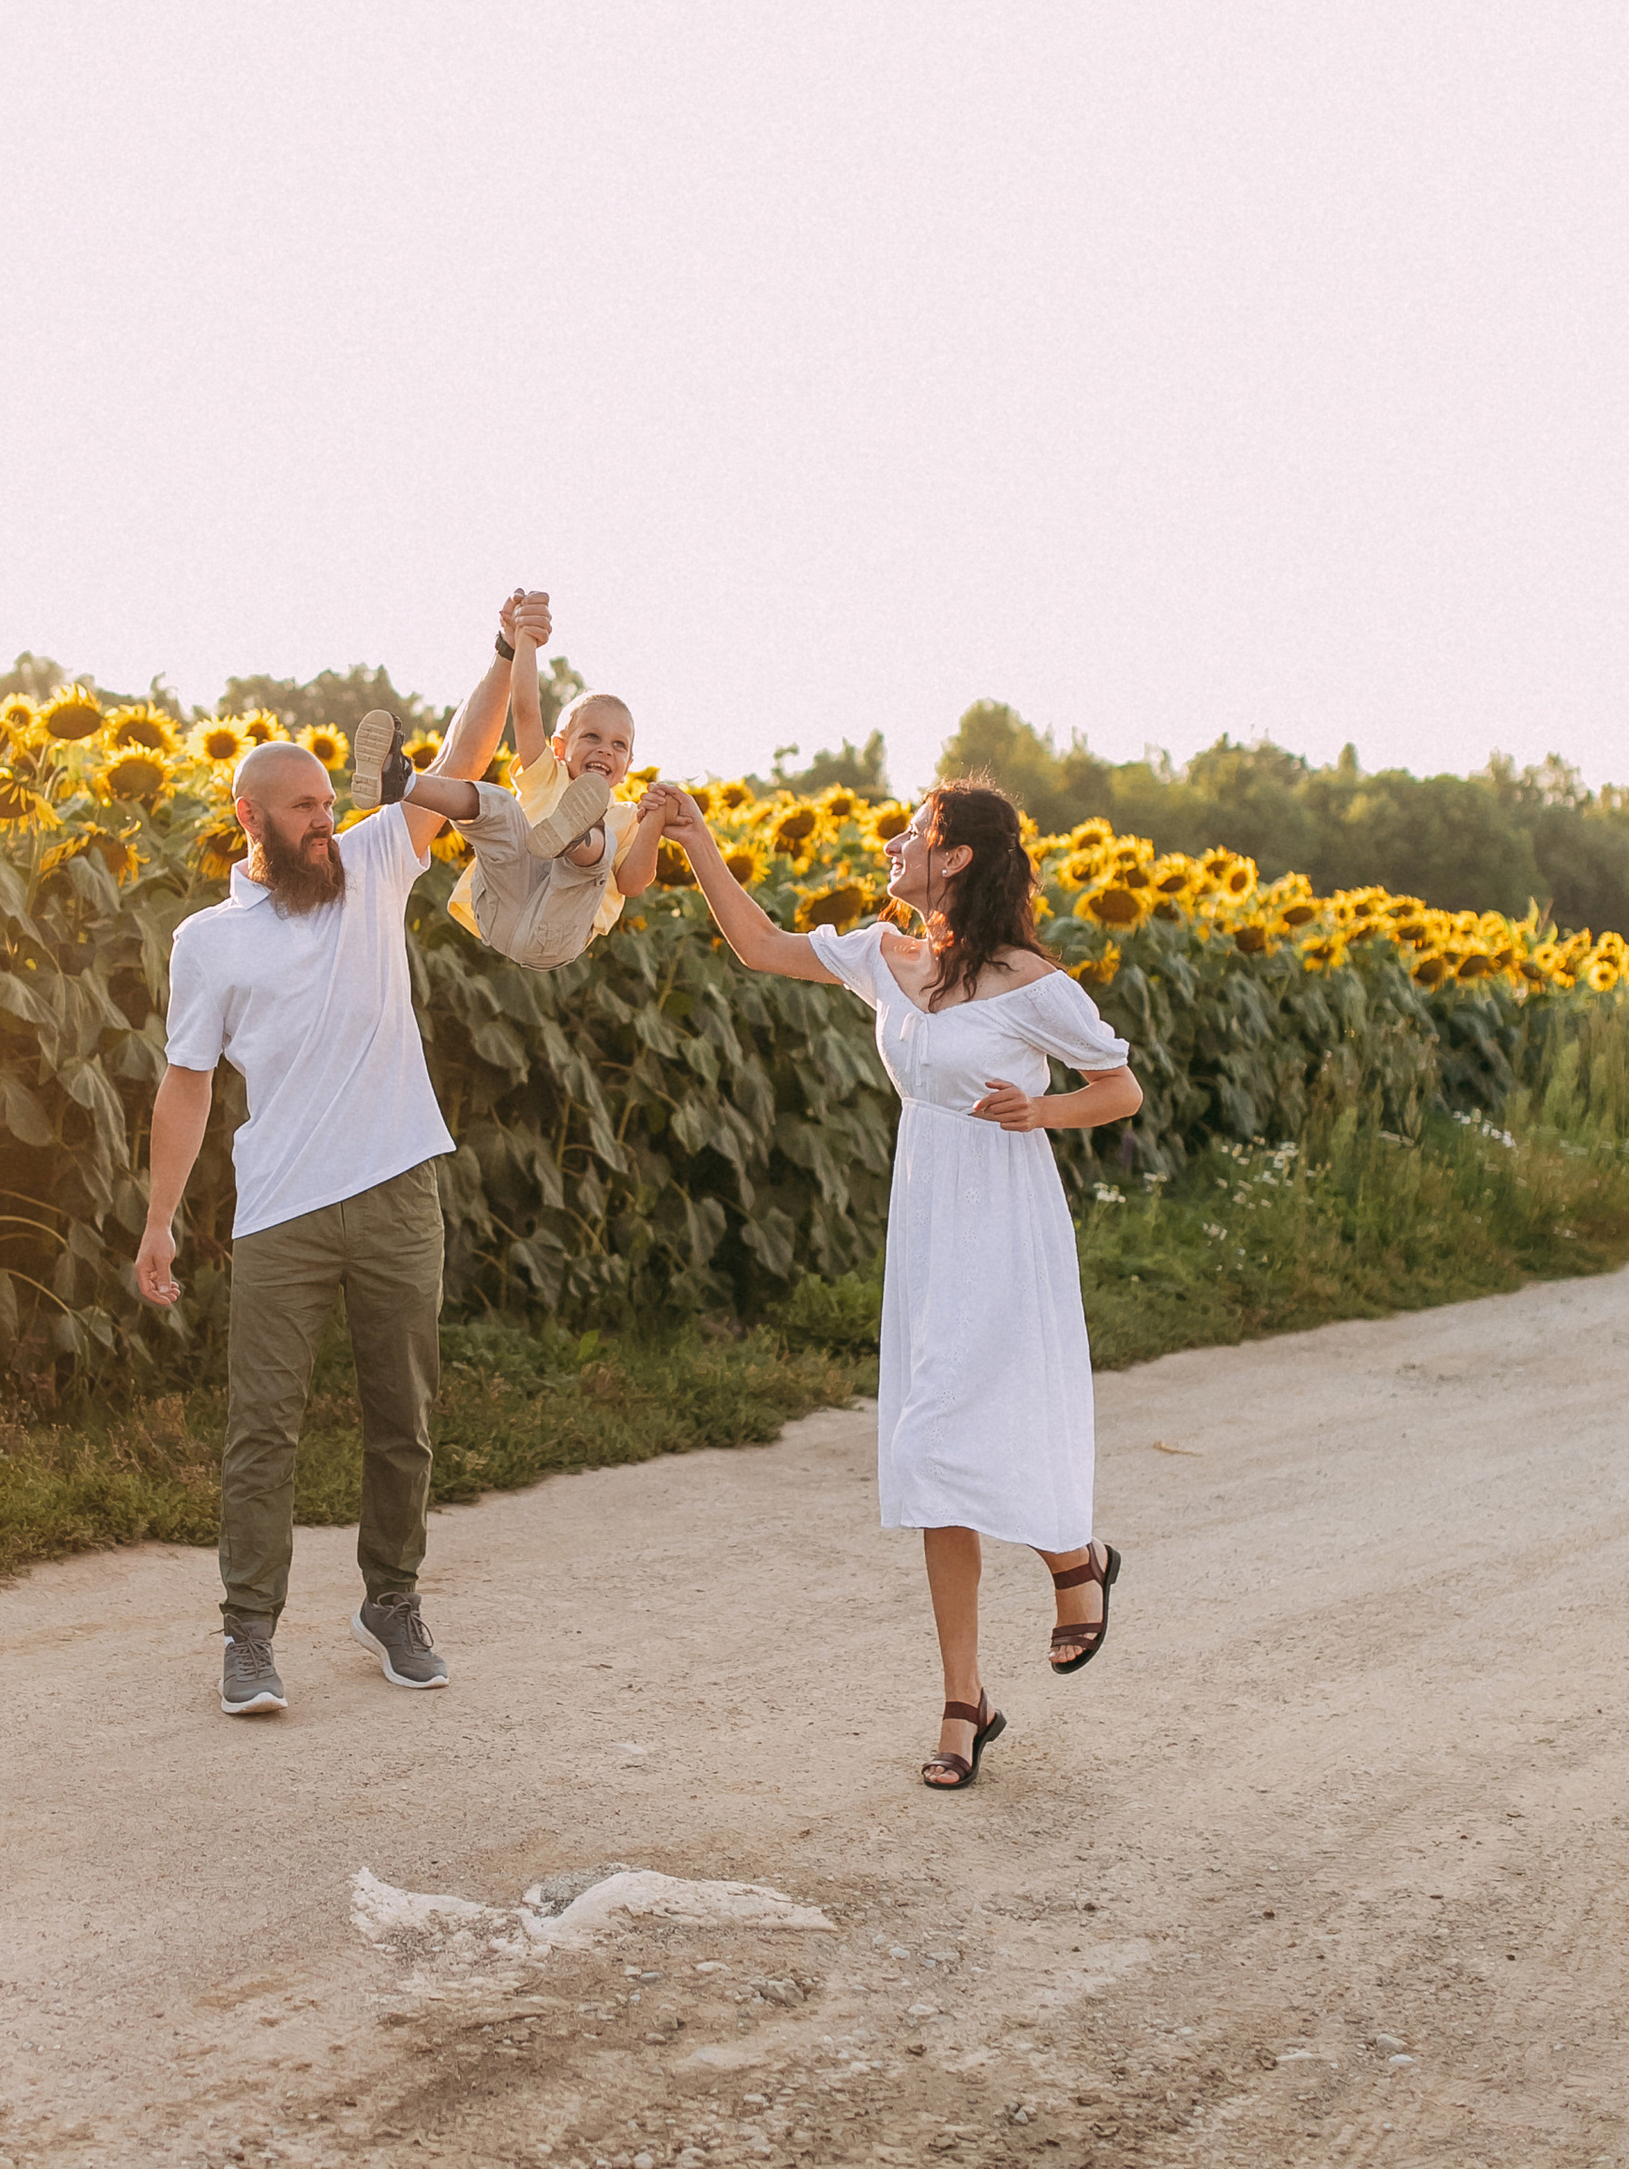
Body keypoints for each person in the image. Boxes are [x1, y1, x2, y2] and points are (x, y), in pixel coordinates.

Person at [649, 774, 1143, 1789]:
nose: (891, 845)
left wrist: (1038, 1115)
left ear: (954, 857)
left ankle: (1069, 1557)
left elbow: (1118, 1087)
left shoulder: (1028, 981)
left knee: (975, 1417)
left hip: (1003, 1214)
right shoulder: (884, 957)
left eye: (911, 832)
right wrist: (695, 841)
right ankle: (968, 1696)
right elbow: (757, 944)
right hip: (926, 1216)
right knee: (926, 1454)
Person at [133, 738, 457, 1721]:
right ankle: (248, 1636)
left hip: (399, 1190)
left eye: (327, 803)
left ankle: (391, 1604)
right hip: (281, 1211)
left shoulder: (371, 864)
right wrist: (158, 1224)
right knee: (261, 1431)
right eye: (305, 808)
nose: (326, 820)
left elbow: (463, 754)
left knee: (403, 1418)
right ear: (251, 819)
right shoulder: (208, 941)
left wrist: (507, 655)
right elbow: (186, 1084)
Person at [352, 589, 665, 972]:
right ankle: (400, 783)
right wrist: (526, 641)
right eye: (591, 737)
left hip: (555, 929)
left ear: (629, 763)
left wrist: (654, 824)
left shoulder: (629, 818)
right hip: (500, 909)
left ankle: (578, 838)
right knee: (499, 805)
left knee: (600, 850)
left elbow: (633, 883)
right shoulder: (546, 775)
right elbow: (526, 711)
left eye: (619, 745)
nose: (604, 750)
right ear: (560, 746)